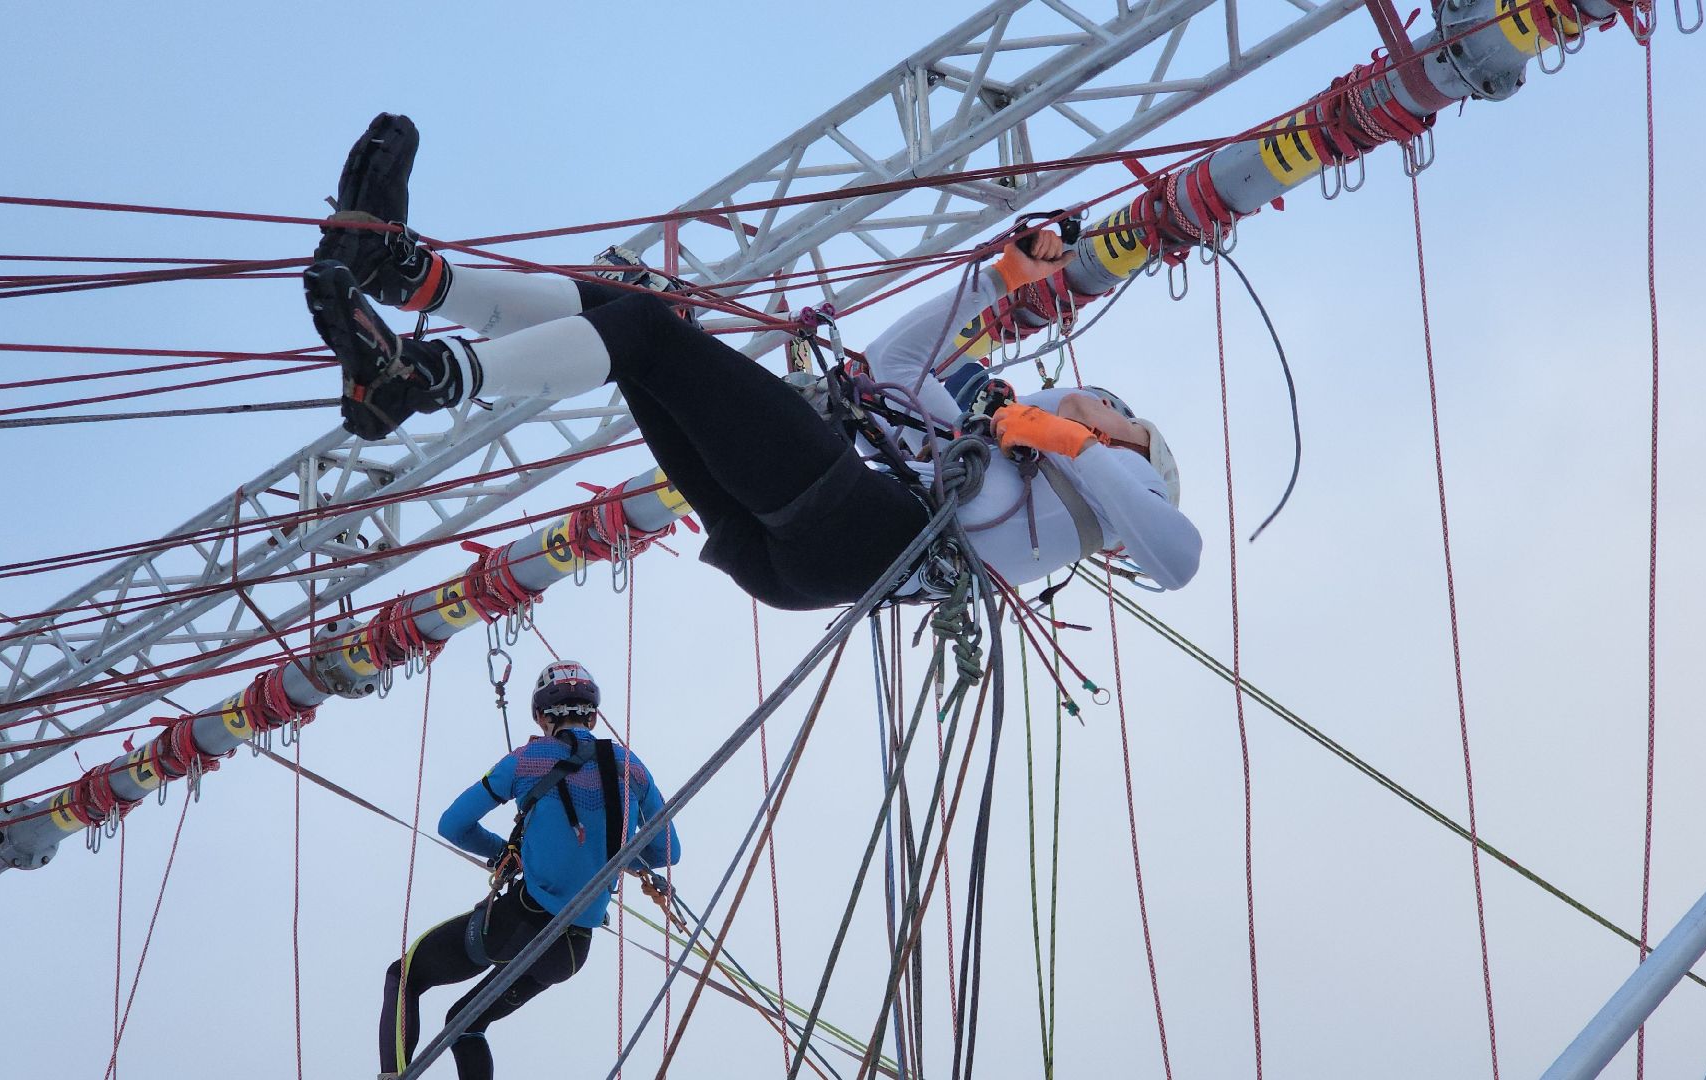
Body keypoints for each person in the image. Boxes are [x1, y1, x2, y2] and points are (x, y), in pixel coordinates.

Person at [309, 114, 1201, 611]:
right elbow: (891, 364)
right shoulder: (991, 453)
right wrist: (999, 278)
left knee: (651, 332)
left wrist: (1076, 444)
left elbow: (1179, 559)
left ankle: (425, 376)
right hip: (800, 555)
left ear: (1135, 447)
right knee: (633, 331)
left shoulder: (1105, 487)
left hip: (859, 534)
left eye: (1116, 410)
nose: (1093, 399)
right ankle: (413, 277)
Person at [380, 661, 680, 1079]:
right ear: (592, 716)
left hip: (521, 923)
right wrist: (611, 851)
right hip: (572, 952)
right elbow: (668, 850)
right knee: (465, 1024)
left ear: (541, 716)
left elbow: (452, 825)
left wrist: (505, 854)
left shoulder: (527, 760)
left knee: (404, 974)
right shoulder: (632, 768)